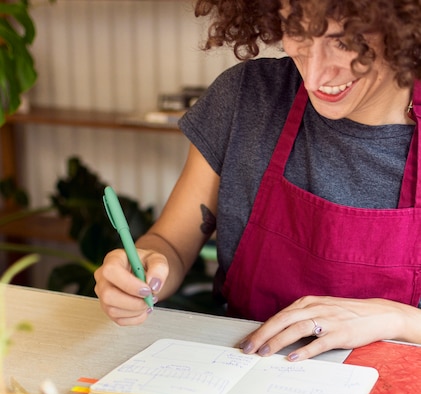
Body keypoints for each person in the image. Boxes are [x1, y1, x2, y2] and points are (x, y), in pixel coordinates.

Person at [94, 0, 421, 362]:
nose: (313, 77)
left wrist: (398, 320)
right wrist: (142, 269)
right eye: (297, 32)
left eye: (345, 43)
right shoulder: (246, 97)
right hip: (244, 372)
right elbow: (170, 241)